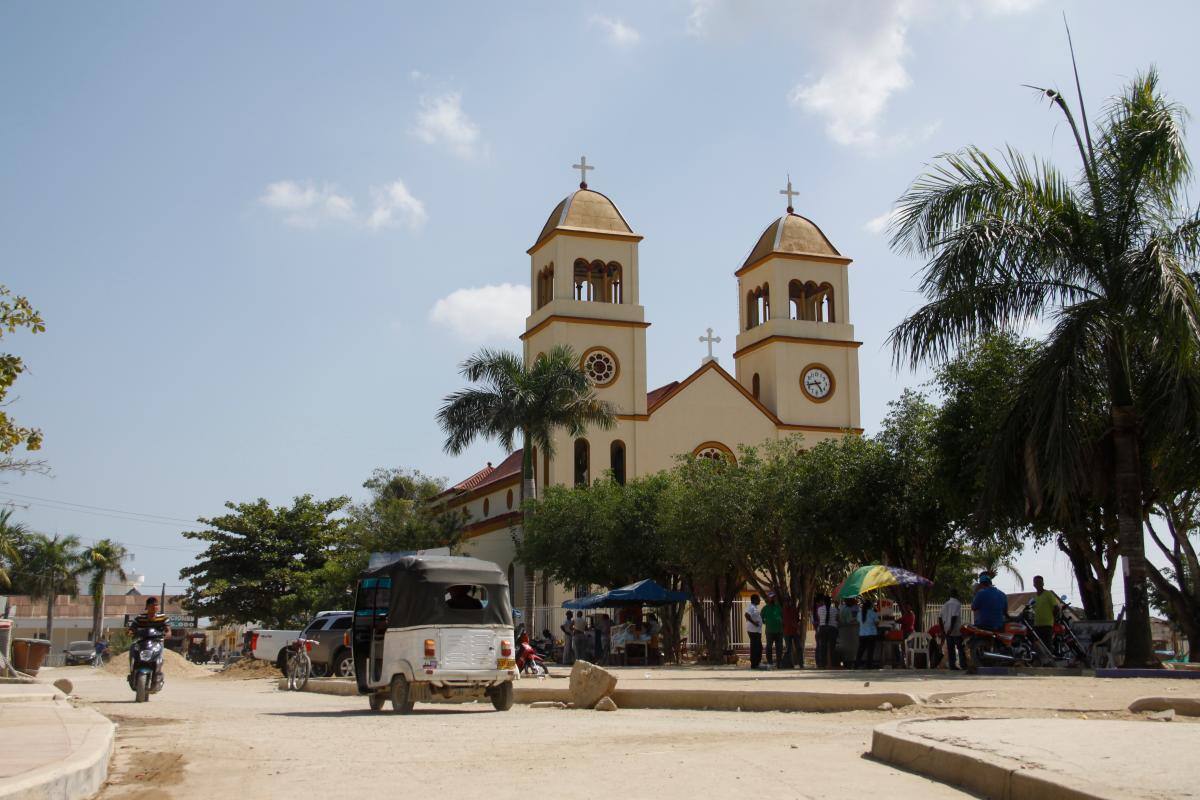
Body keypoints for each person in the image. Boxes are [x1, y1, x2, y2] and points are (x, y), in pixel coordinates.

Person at [1031, 575, 1061, 647]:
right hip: (1037, 624)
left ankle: (1049, 658)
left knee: (1047, 645)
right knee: (1038, 646)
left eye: (1039, 582)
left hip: (1047, 625)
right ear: (1034, 584)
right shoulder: (1034, 597)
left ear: (1043, 583)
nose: (1038, 584)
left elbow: (1056, 608)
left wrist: (1053, 619)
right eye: (1036, 582)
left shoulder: (1048, 594)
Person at [940, 590, 965, 670]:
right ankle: (963, 664)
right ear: (957, 595)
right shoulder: (957, 603)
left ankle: (952, 665)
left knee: (951, 648)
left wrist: (943, 630)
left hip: (946, 628)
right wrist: (951, 628)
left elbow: (940, 618)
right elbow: (954, 616)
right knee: (960, 647)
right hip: (955, 629)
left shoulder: (945, 604)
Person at [813, 594, 836, 669]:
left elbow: (819, 619)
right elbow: (837, 618)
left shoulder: (820, 609)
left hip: (822, 628)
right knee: (831, 647)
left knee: (823, 647)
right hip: (832, 629)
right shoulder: (834, 609)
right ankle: (831, 663)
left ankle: (822, 664)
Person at [854, 599, 878, 669]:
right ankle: (869, 665)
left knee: (860, 651)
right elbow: (877, 622)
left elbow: (858, 621)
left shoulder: (859, 613)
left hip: (862, 634)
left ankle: (856, 664)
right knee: (870, 651)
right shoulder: (873, 613)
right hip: (871, 633)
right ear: (870, 606)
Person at [836, 597, 860, 669]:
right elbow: (849, 621)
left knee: (845, 647)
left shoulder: (842, 608)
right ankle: (850, 663)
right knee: (851, 647)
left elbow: (840, 619)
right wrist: (855, 620)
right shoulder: (848, 610)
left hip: (843, 630)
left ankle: (846, 662)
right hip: (849, 630)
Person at [762, 593, 783, 667]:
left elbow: (783, 617)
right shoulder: (765, 608)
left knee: (779, 648)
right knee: (769, 647)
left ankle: (779, 663)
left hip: (779, 631)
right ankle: (770, 662)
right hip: (769, 631)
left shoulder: (779, 607)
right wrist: (766, 622)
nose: (773, 599)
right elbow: (762, 618)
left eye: (774, 597)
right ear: (768, 599)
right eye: (771, 597)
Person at [744, 594, 763, 669]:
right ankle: (755, 664)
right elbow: (746, 615)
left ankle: (756, 663)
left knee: (757, 647)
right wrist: (754, 623)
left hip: (756, 631)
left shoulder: (754, 607)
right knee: (756, 647)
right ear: (754, 600)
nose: (759, 600)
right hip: (753, 631)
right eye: (758, 599)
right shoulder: (751, 607)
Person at [782, 597, 801, 669]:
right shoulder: (783, 610)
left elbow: (798, 619)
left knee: (799, 647)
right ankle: (789, 664)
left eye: (789, 601)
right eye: (786, 602)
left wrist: (798, 628)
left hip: (795, 631)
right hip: (787, 632)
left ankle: (800, 663)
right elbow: (782, 621)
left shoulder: (794, 610)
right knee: (789, 649)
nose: (788, 603)